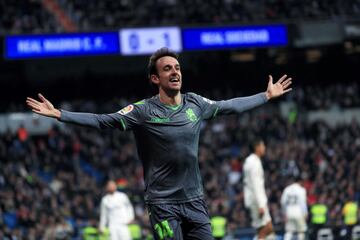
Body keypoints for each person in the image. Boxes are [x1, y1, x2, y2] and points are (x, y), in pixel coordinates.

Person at [26, 47, 292, 240]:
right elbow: (102, 120)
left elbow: (230, 106)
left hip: (195, 200)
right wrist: (60, 114)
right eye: (167, 69)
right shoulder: (142, 111)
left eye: (177, 68)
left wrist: (266, 96)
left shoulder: (195, 103)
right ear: (155, 79)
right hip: (163, 204)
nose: (174, 72)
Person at [243, 138, 276, 240]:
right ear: (257, 147)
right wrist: (261, 204)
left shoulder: (249, 161)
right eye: (263, 146)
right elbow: (256, 184)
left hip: (252, 199)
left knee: (268, 229)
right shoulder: (254, 162)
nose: (264, 148)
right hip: (257, 201)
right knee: (264, 230)